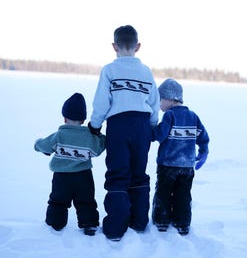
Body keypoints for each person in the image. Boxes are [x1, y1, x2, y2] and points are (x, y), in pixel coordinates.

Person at [88, 25, 160, 241]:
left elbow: (102, 100)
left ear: (114, 46)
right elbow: (154, 102)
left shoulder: (109, 70)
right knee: (138, 172)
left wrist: (95, 125)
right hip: (141, 126)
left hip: (118, 126)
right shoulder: (146, 71)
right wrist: (153, 125)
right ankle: (138, 222)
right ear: (137, 46)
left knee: (118, 173)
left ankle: (115, 227)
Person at [34, 93, 106, 236]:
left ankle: (56, 222)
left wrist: (37, 144)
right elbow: (98, 148)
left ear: (65, 118)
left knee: (58, 201)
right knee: (86, 201)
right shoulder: (88, 137)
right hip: (84, 176)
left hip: (61, 177)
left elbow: (44, 145)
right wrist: (99, 135)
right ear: (83, 120)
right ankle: (89, 224)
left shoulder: (59, 135)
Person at [151, 78, 209, 235]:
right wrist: (203, 150)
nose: (159, 105)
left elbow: (160, 135)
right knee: (183, 195)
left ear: (170, 98)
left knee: (163, 193)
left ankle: (161, 221)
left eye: (160, 100)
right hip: (187, 167)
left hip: (168, 165)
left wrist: (150, 130)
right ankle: (182, 224)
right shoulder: (193, 116)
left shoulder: (169, 116)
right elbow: (202, 136)